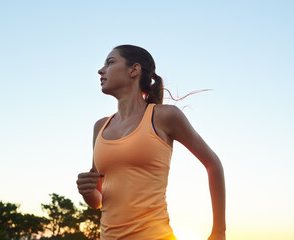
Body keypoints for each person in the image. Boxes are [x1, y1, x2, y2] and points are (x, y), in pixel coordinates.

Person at [76, 45, 226, 240]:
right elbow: (98, 201)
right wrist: (87, 192)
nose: (101, 70)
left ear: (134, 70)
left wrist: (219, 232)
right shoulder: (100, 127)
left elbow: (213, 164)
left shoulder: (164, 116)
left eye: (110, 62)